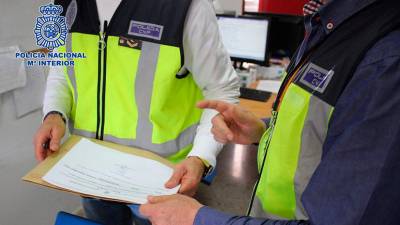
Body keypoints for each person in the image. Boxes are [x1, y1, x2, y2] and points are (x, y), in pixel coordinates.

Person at [139, 0, 400, 224]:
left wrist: (198, 219)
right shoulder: (327, 23)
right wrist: (263, 130)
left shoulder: (384, 57)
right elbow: (327, 128)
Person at [33, 0, 239, 224]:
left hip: (161, 178)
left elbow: (221, 91)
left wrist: (201, 157)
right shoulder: (64, 3)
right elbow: (62, 67)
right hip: (91, 169)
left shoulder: (187, 7)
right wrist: (54, 113)